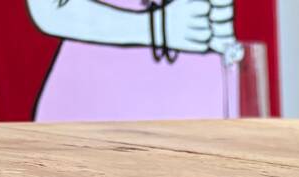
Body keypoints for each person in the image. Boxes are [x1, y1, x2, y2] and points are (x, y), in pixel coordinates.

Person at [28, 0, 239, 122]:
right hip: (97, 103)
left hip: (202, 99)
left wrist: (220, 31)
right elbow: (47, 9)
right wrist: (156, 26)